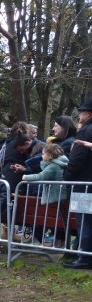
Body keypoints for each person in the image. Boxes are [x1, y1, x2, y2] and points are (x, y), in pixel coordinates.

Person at [63, 97, 92, 269]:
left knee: (84, 220)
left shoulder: (85, 130)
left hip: (83, 183)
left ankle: (85, 257)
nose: (79, 115)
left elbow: (77, 158)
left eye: (81, 112)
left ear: (87, 114)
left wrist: (68, 177)